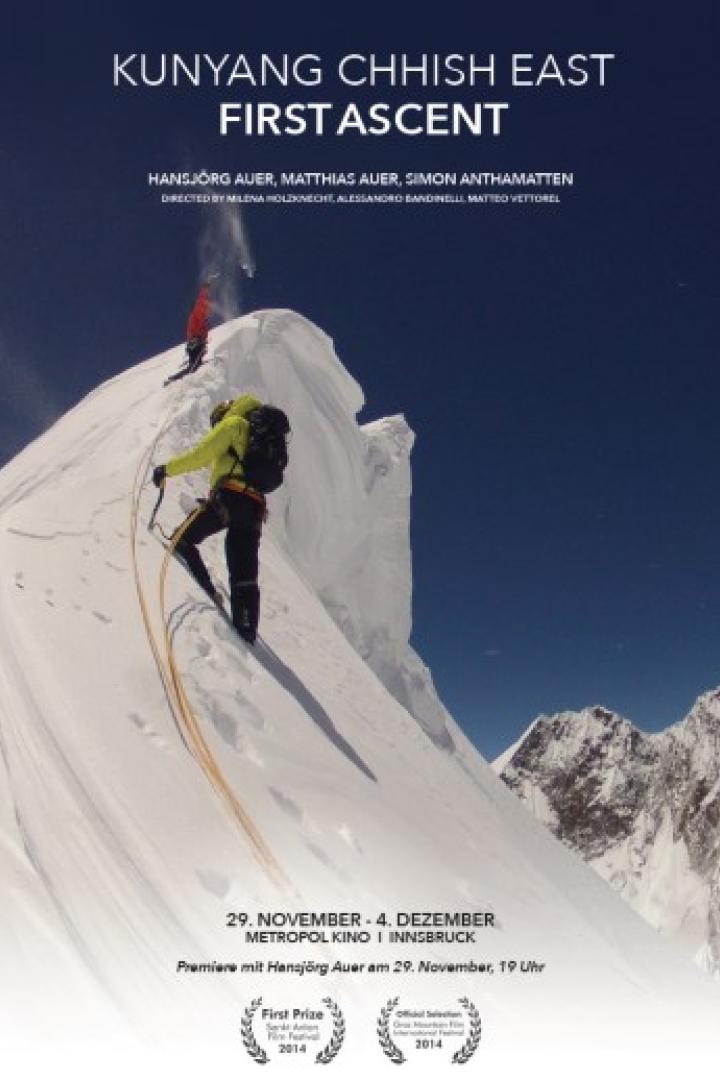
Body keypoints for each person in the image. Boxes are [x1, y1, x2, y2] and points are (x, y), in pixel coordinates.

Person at [152, 395, 267, 644]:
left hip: (230, 498)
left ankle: (206, 590)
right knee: (244, 575)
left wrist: (166, 470)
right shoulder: (257, 436)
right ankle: (246, 630)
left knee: (183, 539)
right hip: (255, 509)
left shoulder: (233, 424)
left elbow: (200, 455)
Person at [165, 280, 213, 384]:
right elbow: (202, 303)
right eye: (208, 308)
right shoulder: (198, 312)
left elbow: (201, 331)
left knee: (196, 365)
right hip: (195, 342)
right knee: (194, 366)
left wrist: (203, 343)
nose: (209, 310)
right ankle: (177, 381)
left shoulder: (200, 318)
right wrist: (205, 291)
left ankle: (177, 379)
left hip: (195, 342)